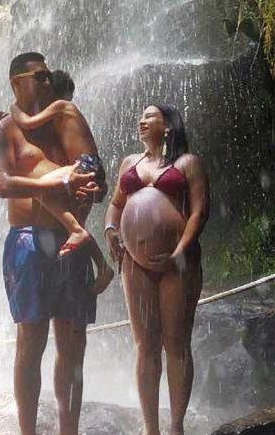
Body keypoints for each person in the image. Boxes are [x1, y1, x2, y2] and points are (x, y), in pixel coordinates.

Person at [0, 52, 104, 435]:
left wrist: (89, 182)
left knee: (73, 342)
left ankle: (68, 430)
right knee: (31, 339)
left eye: (48, 75)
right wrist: (54, 182)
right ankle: (28, 431)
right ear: (16, 82)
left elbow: (93, 174)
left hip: (68, 241)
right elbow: (4, 184)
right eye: (39, 76)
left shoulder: (64, 120)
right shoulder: (4, 129)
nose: (46, 81)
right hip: (27, 241)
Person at [104, 105, 210, 435]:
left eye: (150, 116)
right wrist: (110, 228)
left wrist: (180, 251)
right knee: (145, 346)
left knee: (175, 344)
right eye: (140, 116)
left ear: (167, 126)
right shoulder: (129, 164)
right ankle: (151, 428)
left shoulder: (187, 163)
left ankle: (175, 426)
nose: (141, 121)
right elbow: (116, 204)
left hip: (177, 264)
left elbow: (198, 211)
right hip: (135, 265)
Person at [0, 69, 114, 289]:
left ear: (53, 94)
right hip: (89, 169)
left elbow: (28, 121)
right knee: (70, 217)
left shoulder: (61, 107)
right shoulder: (63, 116)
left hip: (83, 168)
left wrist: (12, 109)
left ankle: (90, 249)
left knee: (38, 182)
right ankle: (101, 264)